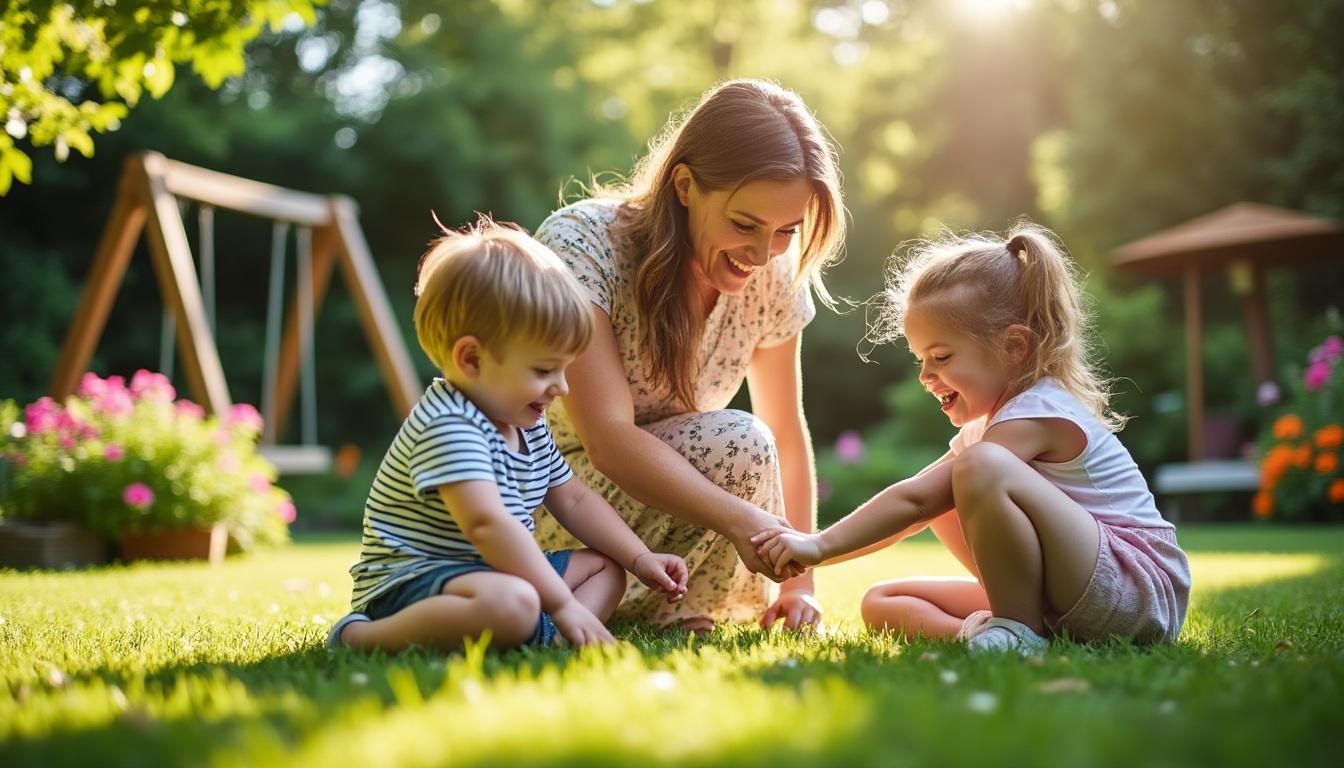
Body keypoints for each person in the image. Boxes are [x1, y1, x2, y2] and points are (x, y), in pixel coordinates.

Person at [753, 222, 1192, 653]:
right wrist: (812, 554)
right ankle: (1001, 634)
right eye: (920, 359)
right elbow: (913, 509)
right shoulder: (985, 434)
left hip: (1136, 590)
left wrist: (818, 544)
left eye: (941, 357)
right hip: (1074, 594)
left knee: (971, 471)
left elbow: (918, 500)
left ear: (1014, 346)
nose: (925, 376)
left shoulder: (1039, 410)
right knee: (883, 601)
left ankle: (1015, 630)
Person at [531, 79, 846, 631]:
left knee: (750, 443)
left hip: (670, 519)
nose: (763, 253)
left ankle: (685, 613)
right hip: (562, 502)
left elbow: (785, 429)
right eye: (744, 224)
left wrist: (801, 582)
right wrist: (743, 521)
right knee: (737, 442)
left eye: (786, 231)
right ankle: (616, 599)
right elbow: (608, 440)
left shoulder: (773, 274)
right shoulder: (583, 246)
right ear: (683, 185)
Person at [328, 219, 688, 653]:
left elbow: (574, 499)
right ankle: (361, 637)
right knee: (514, 603)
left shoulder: (527, 424)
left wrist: (639, 557)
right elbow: (487, 525)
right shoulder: (449, 424)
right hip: (415, 582)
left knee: (607, 570)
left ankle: (552, 640)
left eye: (564, 368)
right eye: (544, 370)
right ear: (472, 359)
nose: (562, 387)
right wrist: (561, 603)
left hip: (494, 576)